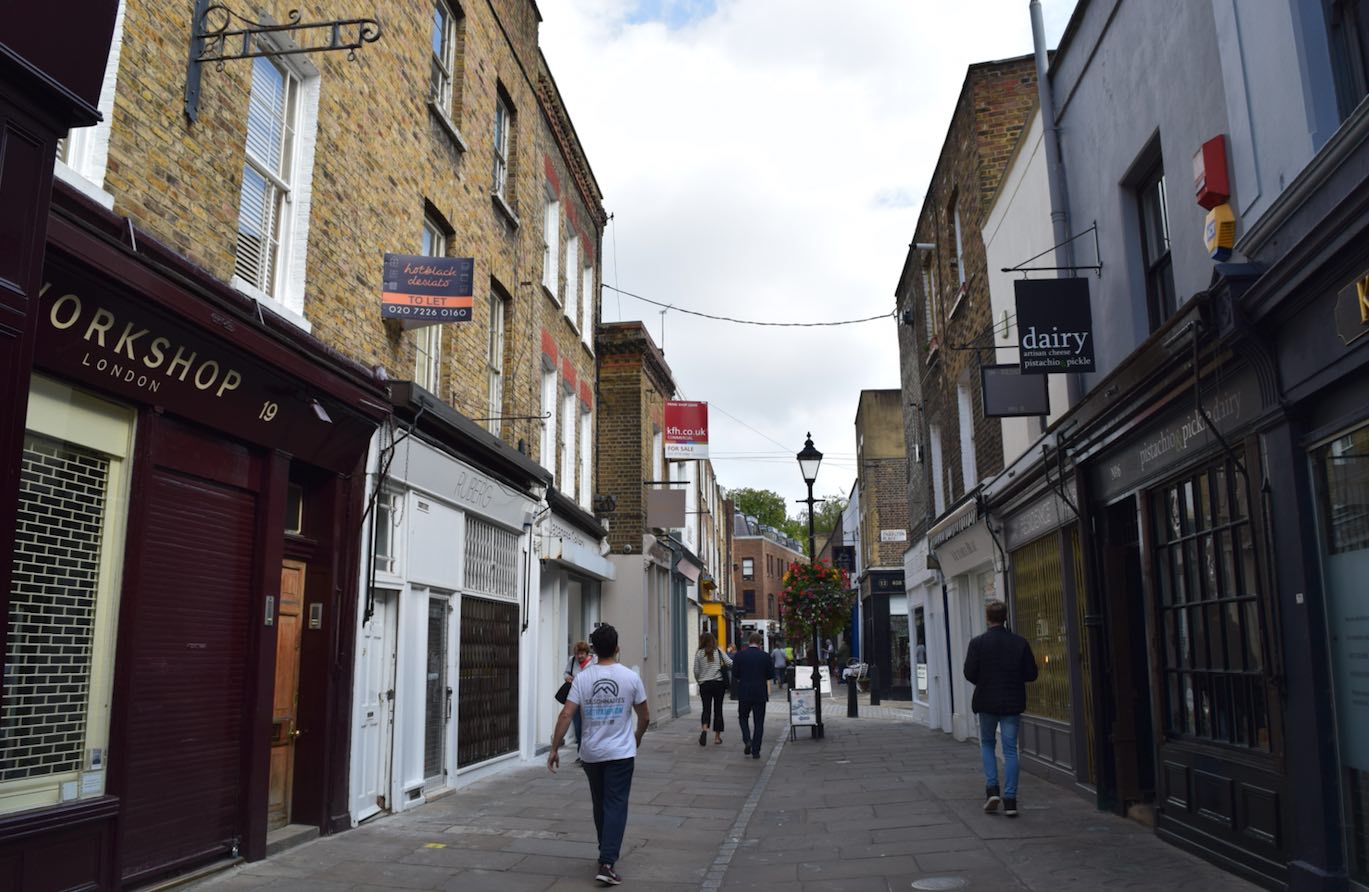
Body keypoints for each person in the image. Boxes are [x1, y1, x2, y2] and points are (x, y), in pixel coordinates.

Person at [548, 624, 649, 885]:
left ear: (594, 649)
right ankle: (607, 861)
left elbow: (566, 714)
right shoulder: (630, 677)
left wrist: (554, 748)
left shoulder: (583, 678)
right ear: (617, 648)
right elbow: (645, 716)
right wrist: (635, 738)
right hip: (620, 752)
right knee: (616, 803)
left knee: (600, 803)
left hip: (591, 753)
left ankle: (604, 850)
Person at [962, 599, 1038, 818]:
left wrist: (985, 680)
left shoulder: (977, 643)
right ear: (1005, 617)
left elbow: (969, 673)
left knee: (987, 743)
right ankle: (1011, 800)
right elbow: (1032, 674)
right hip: (1012, 701)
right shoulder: (1019, 642)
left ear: (988, 618)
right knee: (1010, 750)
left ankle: (992, 790)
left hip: (986, 701)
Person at [732, 632, 774, 759]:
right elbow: (771, 675)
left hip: (744, 691)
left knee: (743, 717)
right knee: (759, 722)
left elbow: (735, 674)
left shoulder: (739, 656)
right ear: (760, 643)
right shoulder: (765, 656)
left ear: (749, 642)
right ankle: (756, 750)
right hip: (760, 692)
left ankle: (747, 739)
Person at [693, 632, 732, 746]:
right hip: (718, 684)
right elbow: (730, 663)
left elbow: (695, 670)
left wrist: (699, 681)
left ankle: (705, 730)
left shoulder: (699, 653)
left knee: (706, 709)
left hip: (705, 684)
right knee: (718, 710)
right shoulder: (718, 651)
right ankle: (717, 738)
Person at [563, 641, 595, 762]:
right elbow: (566, 672)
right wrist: (567, 677)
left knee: (589, 728)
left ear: (587, 653)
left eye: (582, 653)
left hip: (589, 700)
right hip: (575, 699)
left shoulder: (594, 663)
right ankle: (581, 754)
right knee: (578, 728)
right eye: (577, 654)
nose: (579, 656)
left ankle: (588, 753)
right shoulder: (572, 661)